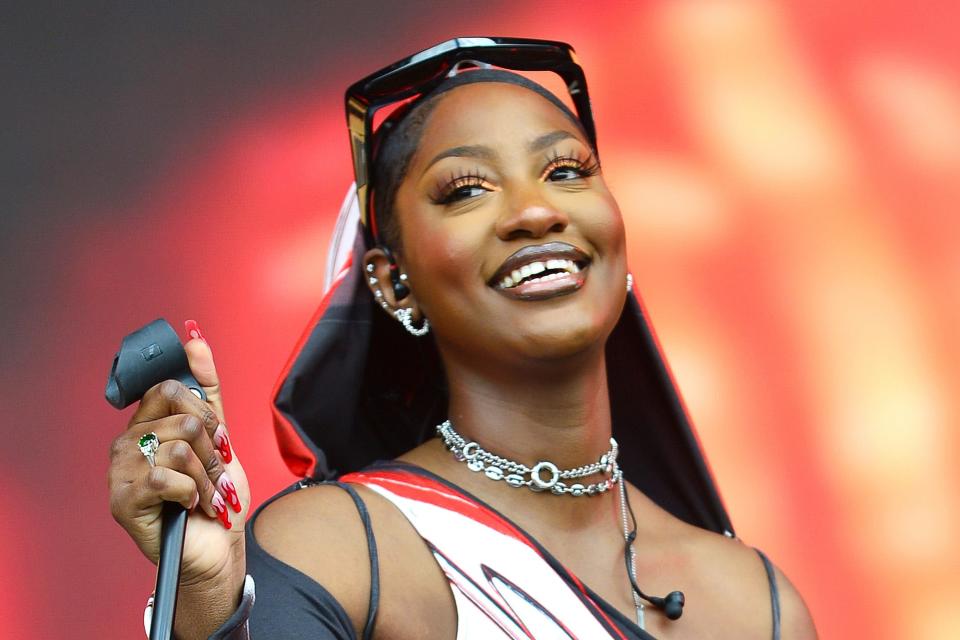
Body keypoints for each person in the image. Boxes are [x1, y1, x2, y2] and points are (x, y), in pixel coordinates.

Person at [108, 38, 818, 639]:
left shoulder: (762, 603)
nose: (536, 210)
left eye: (567, 171)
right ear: (393, 283)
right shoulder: (344, 548)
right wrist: (205, 597)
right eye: (466, 190)